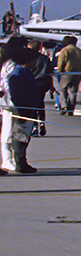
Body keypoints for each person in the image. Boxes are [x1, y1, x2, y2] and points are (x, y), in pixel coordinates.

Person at [1, 36, 41, 173]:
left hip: (14, 103)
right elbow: (8, 84)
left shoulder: (13, 65)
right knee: (9, 132)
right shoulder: (11, 66)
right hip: (12, 104)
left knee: (19, 133)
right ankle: (8, 159)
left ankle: (18, 160)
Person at [54, 36, 81, 115]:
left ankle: (64, 105)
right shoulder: (80, 51)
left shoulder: (65, 50)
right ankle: (71, 108)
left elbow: (61, 62)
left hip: (67, 72)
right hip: (77, 73)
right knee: (73, 91)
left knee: (62, 89)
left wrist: (60, 71)